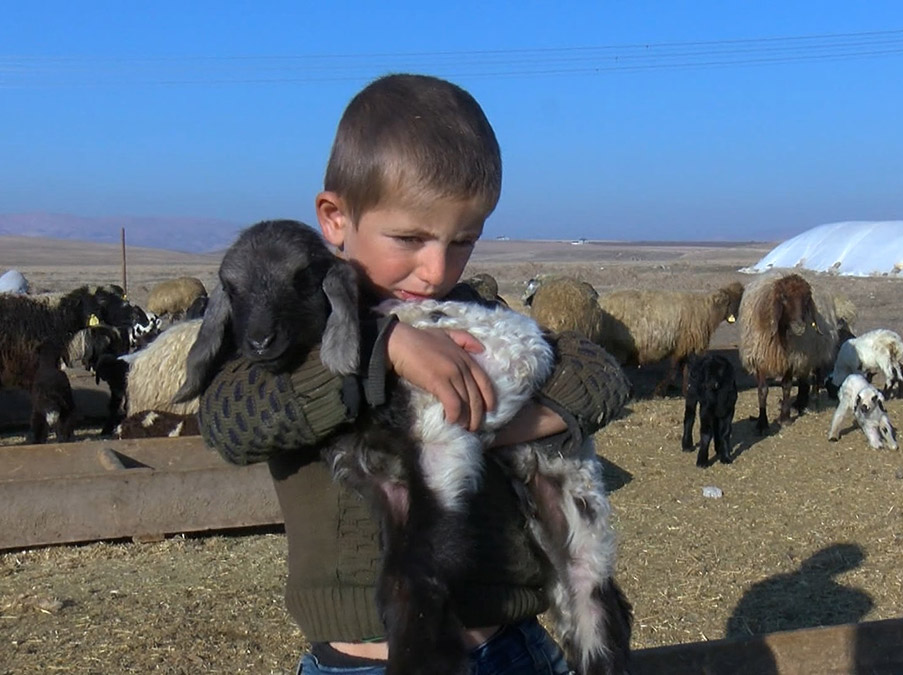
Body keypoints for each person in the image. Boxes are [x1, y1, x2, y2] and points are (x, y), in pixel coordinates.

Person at [195, 73, 631, 675]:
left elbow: (599, 372)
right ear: (335, 219)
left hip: (508, 648)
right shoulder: (292, 335)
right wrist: (385, 348)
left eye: (464, 241)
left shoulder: (470, 314)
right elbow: (229, 420)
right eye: (410, 237)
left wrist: (503, 420)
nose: (434, 270)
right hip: (364, 662)